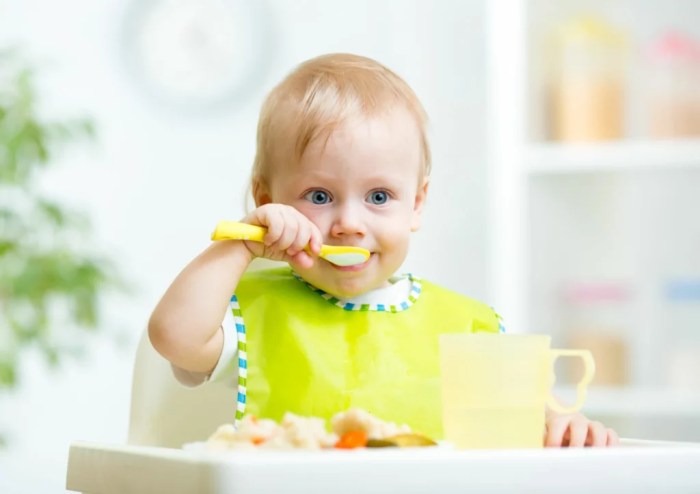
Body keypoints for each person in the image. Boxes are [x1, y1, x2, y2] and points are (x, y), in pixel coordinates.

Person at [149, 53, 618, 447]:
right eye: (319, 196)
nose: (350, 224)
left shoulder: (467, 328)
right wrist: (243, 244)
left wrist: (560, 428)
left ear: (415, 205)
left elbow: (518, 434)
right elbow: (172, 336)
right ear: (268, 202)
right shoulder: (250, 309)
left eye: (378, 197)